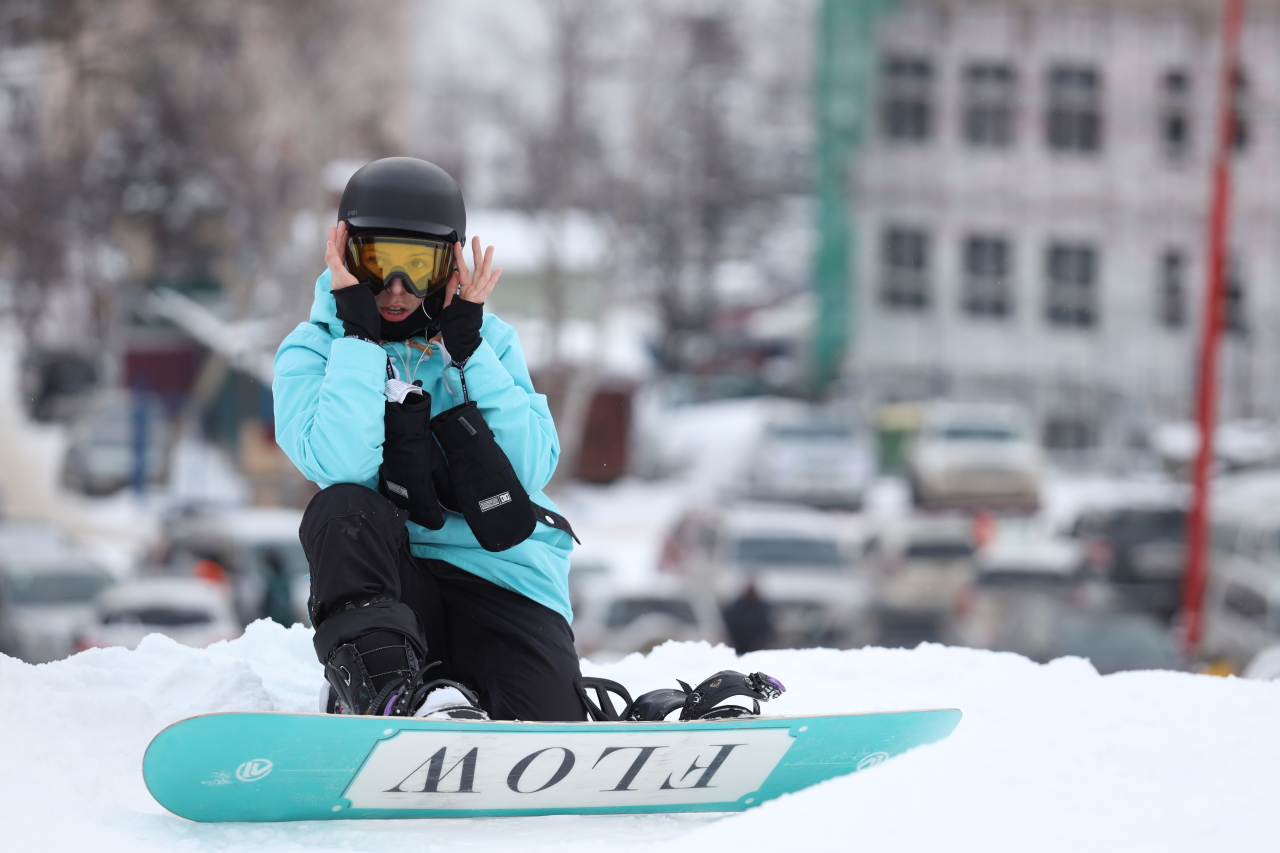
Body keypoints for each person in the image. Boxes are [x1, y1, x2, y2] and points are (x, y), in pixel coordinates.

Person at [273, 157, 584, 721]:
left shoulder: (489, 342)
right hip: (397, 586)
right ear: (345, 255)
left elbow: (531, 470)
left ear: (449, 265)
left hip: (503, 575)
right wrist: (360, 343)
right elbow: (342, 467)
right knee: (341, 508)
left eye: (418, 266)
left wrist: (469, 354)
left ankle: (467, 698)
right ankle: (384, 691)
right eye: (378, 265)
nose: (397, 290)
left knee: (547, 720)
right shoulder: (313, 350)